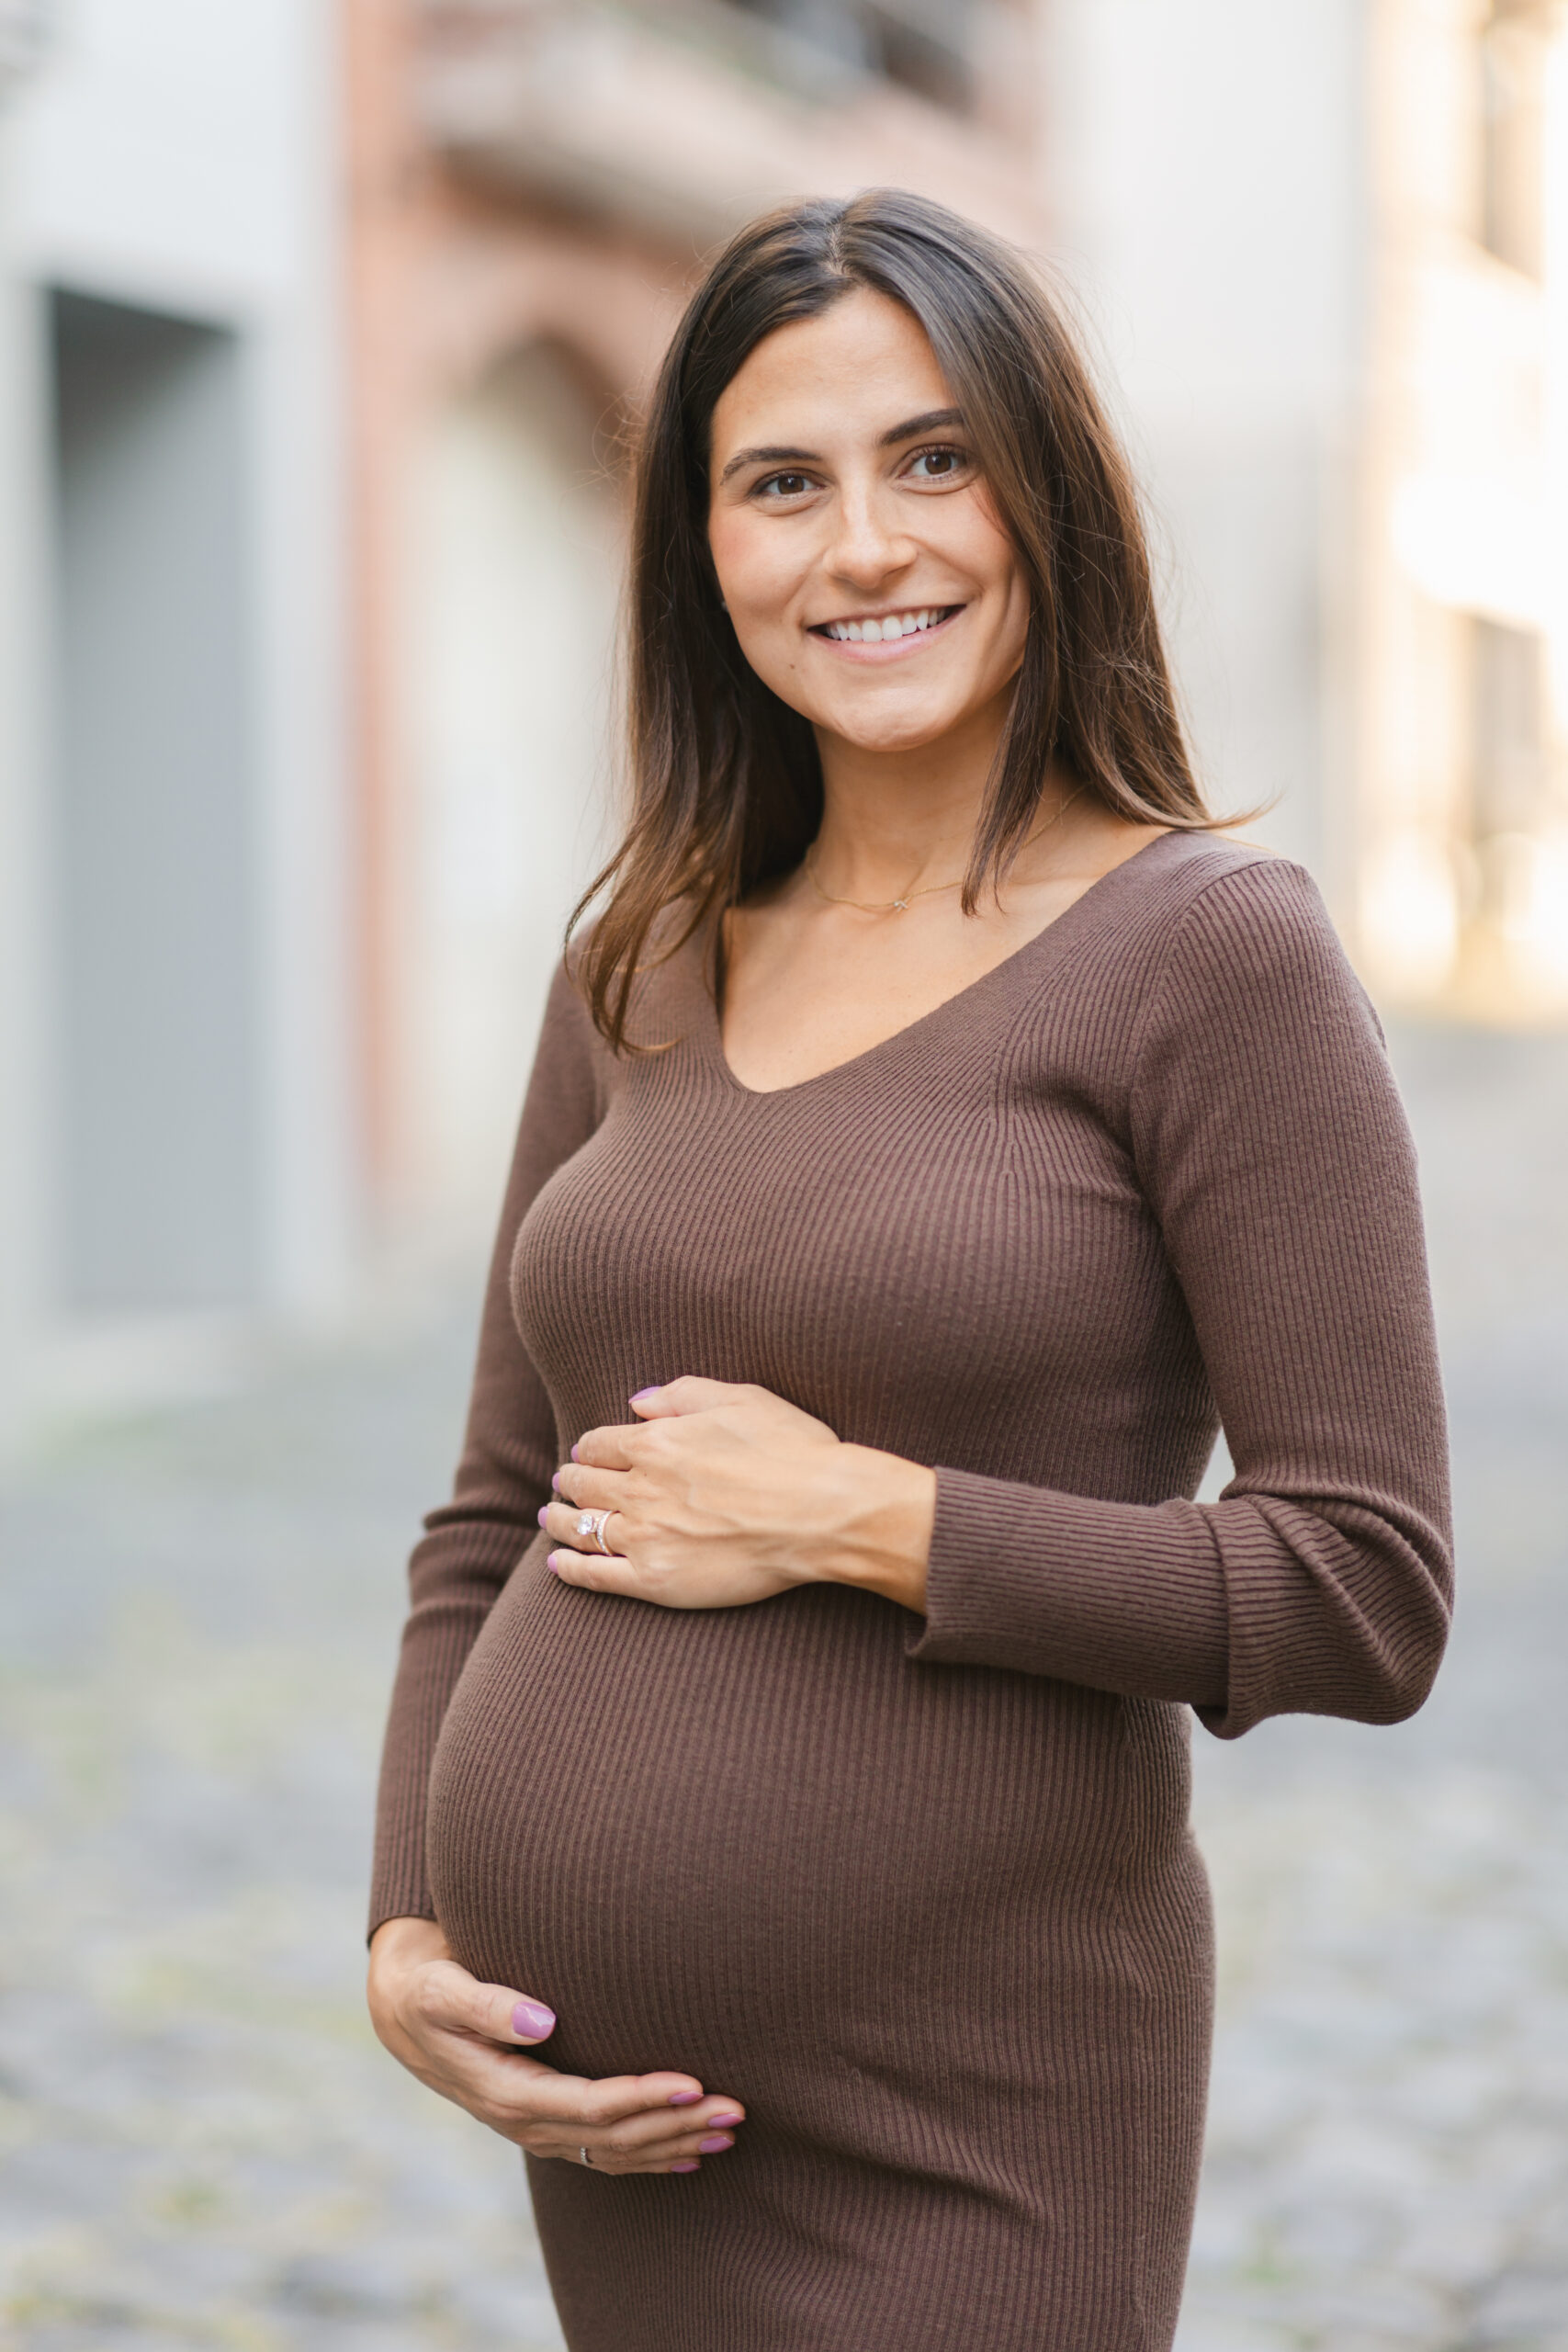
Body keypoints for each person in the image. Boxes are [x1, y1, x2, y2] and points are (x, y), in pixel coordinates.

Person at [366, 189, 1452, 2351]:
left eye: (931, 458)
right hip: (627, 2124)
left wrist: (863, 1517)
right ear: (705, 553)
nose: (861, 546)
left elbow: (1362, 1583)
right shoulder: (638, 959)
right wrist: (407, 1919)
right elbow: (491, 1511)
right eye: (781, 482)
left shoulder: (1209, 958)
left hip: (979, 2106)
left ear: (1044, 497)